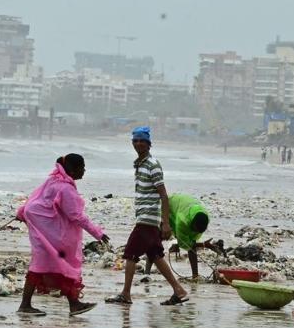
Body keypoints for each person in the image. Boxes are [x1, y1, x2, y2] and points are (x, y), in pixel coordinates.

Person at [105, 127, 190, 306]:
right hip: (146, 218)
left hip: (147, 219)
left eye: (142, 141)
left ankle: (126, 294)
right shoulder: (140, 164)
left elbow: (164, 195)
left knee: (129, 254)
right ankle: (179, 290)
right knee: (156, 255)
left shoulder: (152, 165)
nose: (138, 144)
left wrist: (165, 223)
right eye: (135, 141)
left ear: (149, 144)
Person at [16, 154, 109, 317]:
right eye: (82, 167)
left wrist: (21, 212)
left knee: (45, 266)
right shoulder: (65, 188)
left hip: (46, 232)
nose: (84, 170)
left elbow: (34, 199)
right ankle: (69, 304)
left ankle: (71, 304)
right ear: (72, 169)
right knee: (60, 267)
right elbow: (76, 216)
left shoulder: (54, 181)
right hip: (51, 235)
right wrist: (97, 233)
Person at [165, 193, 212, 280]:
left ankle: (195, 275)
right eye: (194, 229)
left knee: (192, 245)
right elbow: (186, 244)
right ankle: (147, 272)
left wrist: (204, 245)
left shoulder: (205, 217)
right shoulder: (182, 221)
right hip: (169, 206)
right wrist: (204, 245)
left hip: (184, 207)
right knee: (158, 237)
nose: (194, 232)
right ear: (192, 223)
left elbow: (191, 242)